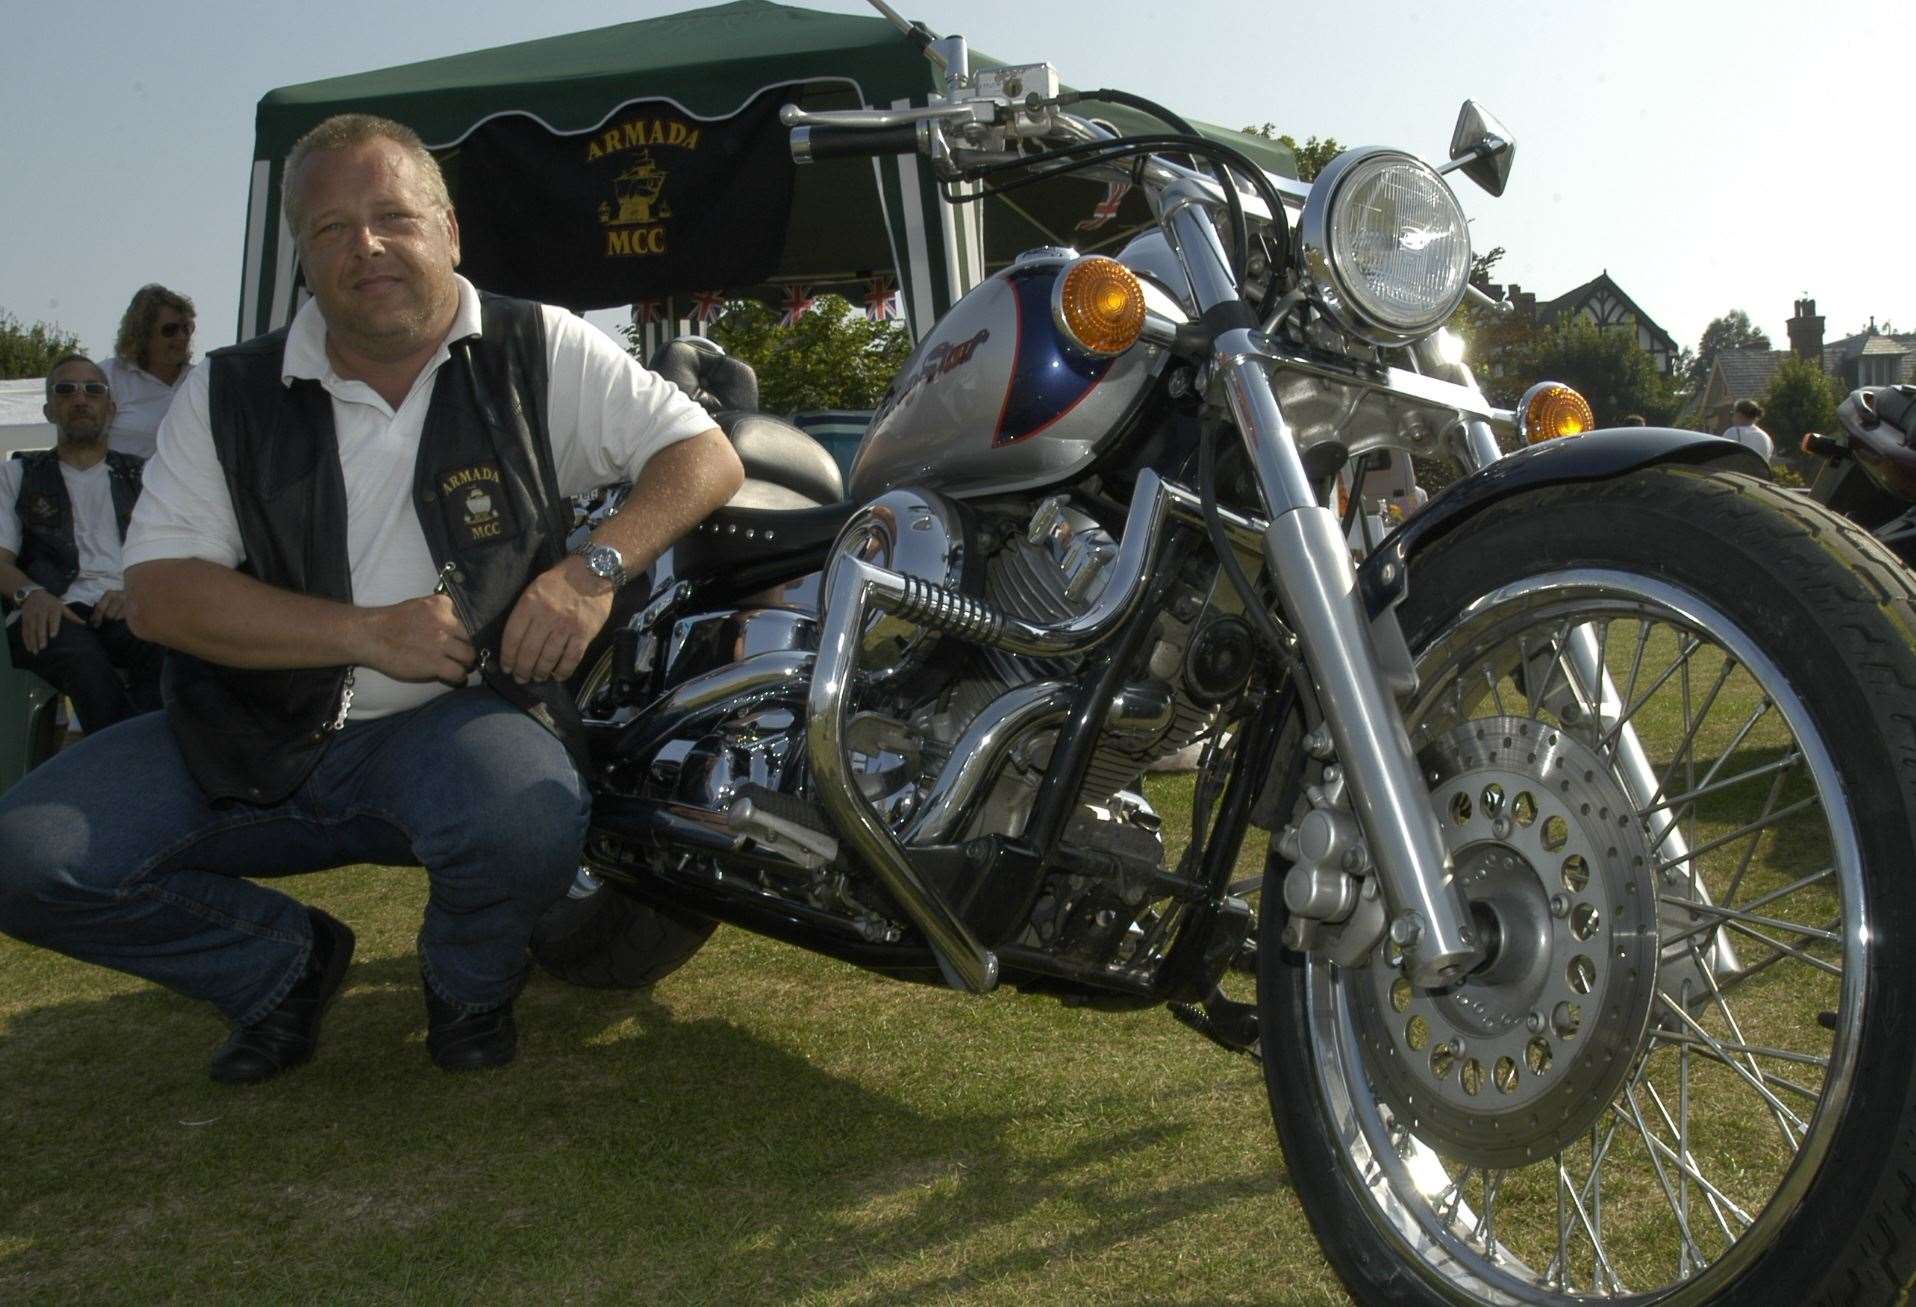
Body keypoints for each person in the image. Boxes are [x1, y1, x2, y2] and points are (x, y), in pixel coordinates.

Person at [0, 114, 743, 1084]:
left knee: (528, 811)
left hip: (447, 730)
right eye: (331, 228)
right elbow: (159, 597)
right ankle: (280, 963)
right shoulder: (228, 391)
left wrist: (589, 569)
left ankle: (468, 980)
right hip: (241, 729)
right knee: (27, 856)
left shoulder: (536, 349)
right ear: (302, 255)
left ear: (448, 231)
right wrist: (365, 633)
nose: (368, 246)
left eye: (393, 215)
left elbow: (704, 455)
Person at [0, 356, 165, 733]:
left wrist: (133, 591)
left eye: (93, 389)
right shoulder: (15, 475)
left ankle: (126, 767)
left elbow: (171, 558)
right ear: (48, 409)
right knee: (85, 662)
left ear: (111, 408)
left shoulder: (145, 477)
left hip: (126, 606)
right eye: (65, 389)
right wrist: (32, 594)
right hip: (50, 611)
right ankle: (127, 771)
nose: (80, 399)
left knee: (172, 654)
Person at [99, 284, 196, 460]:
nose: (182, 337)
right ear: (143, 333)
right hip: (124, 484)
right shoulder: (108, 376)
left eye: (187, 328)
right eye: (170, 330)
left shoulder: (200, 380)